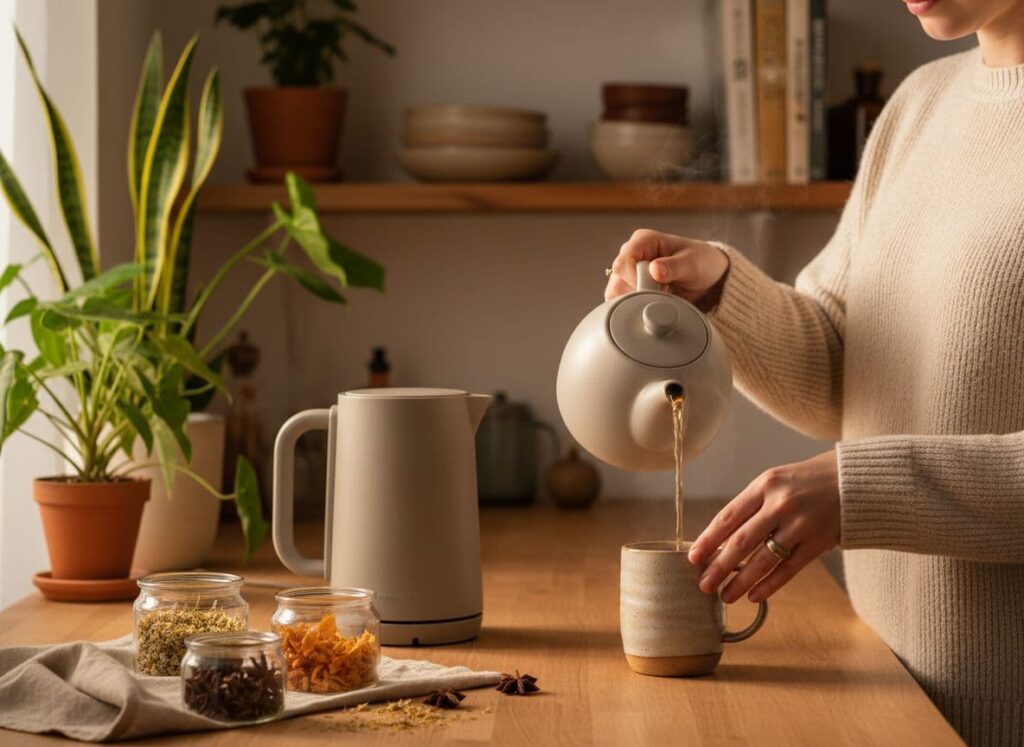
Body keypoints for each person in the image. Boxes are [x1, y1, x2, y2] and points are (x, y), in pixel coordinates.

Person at [604, 0, 1024, 742]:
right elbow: (844, 367)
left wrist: (859, 491)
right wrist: (722, 293)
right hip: (883, 686)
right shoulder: (918, 107)